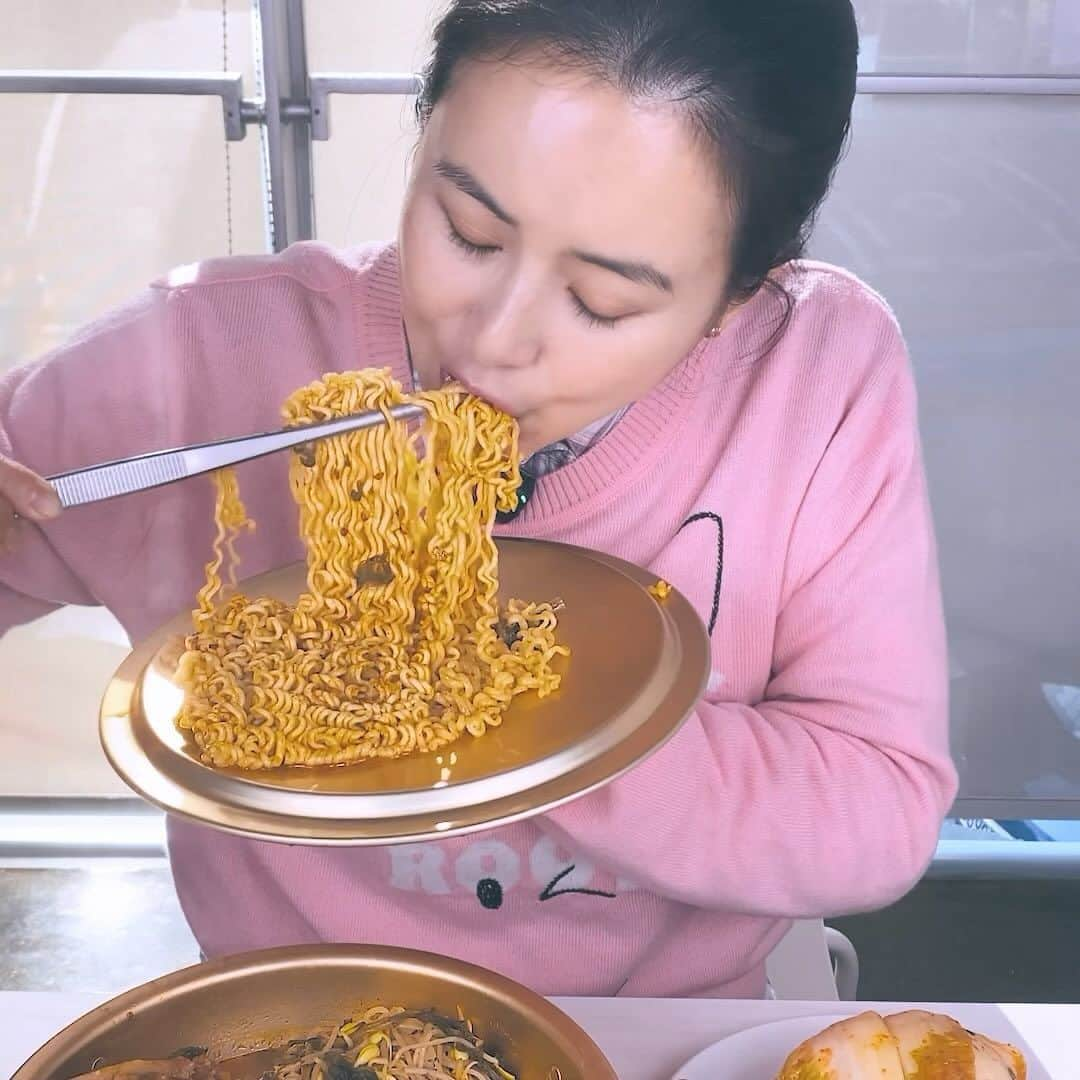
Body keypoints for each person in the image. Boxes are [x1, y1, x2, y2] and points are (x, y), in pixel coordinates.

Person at [0, 0, 956, 998]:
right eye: (468, 231)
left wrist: (499, 692)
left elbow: (878, 806)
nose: (494, 341)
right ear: (425, 134)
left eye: (601, 301)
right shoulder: (206, 355)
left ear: (739, 298)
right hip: (294, 1021)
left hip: (662, 1033)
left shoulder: (812, 373)